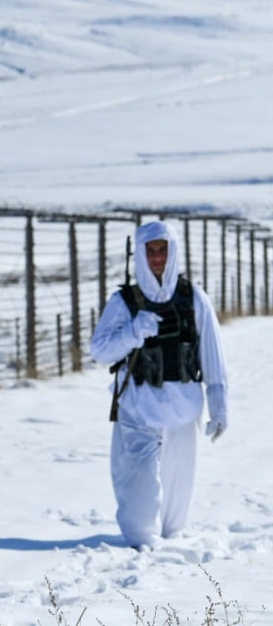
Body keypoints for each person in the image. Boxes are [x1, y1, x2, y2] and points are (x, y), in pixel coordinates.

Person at [89, 220, 229, 549]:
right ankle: (141, 545)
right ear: (139, 254)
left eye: (162, 250)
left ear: (173, 251)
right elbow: (100, 351)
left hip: (183, 408)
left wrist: (220, 407)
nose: (156, 258)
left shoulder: (194, 299)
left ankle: (168, 548)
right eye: (150, 251)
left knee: (174, 512)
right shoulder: (124, 302)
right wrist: (133, 332)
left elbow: (212, 356)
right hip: (137, 407)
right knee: (138, 506)